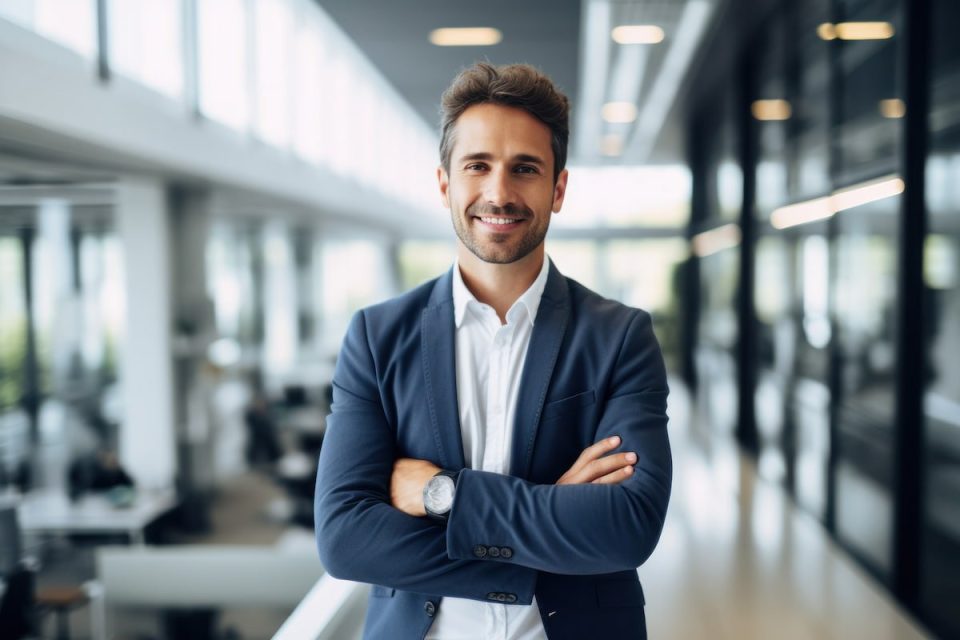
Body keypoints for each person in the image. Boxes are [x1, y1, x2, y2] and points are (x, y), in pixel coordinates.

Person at [314, 62, 671, 640]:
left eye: (524, 169)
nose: (499, 193)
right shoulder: (377, 338)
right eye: (477, 165)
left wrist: (442, 495)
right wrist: (551, 514)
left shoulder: (619, 337)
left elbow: (627, 527)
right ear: (444, 184)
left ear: (557, 188)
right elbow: (345, 538)